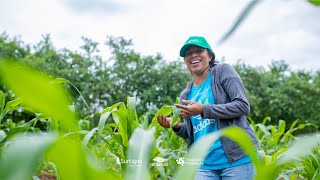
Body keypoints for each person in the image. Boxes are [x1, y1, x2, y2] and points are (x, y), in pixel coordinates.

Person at [157, 36, 260, 180]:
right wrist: (176, 126)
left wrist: (203, 110)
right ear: (185, 60)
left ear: (210, 56)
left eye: (198, 51)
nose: (193, 55)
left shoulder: (223, 71)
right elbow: (193, 133)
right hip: (203, 167)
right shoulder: (186, 94)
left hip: (237, 161)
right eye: (188, 53)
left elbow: (242, 106)